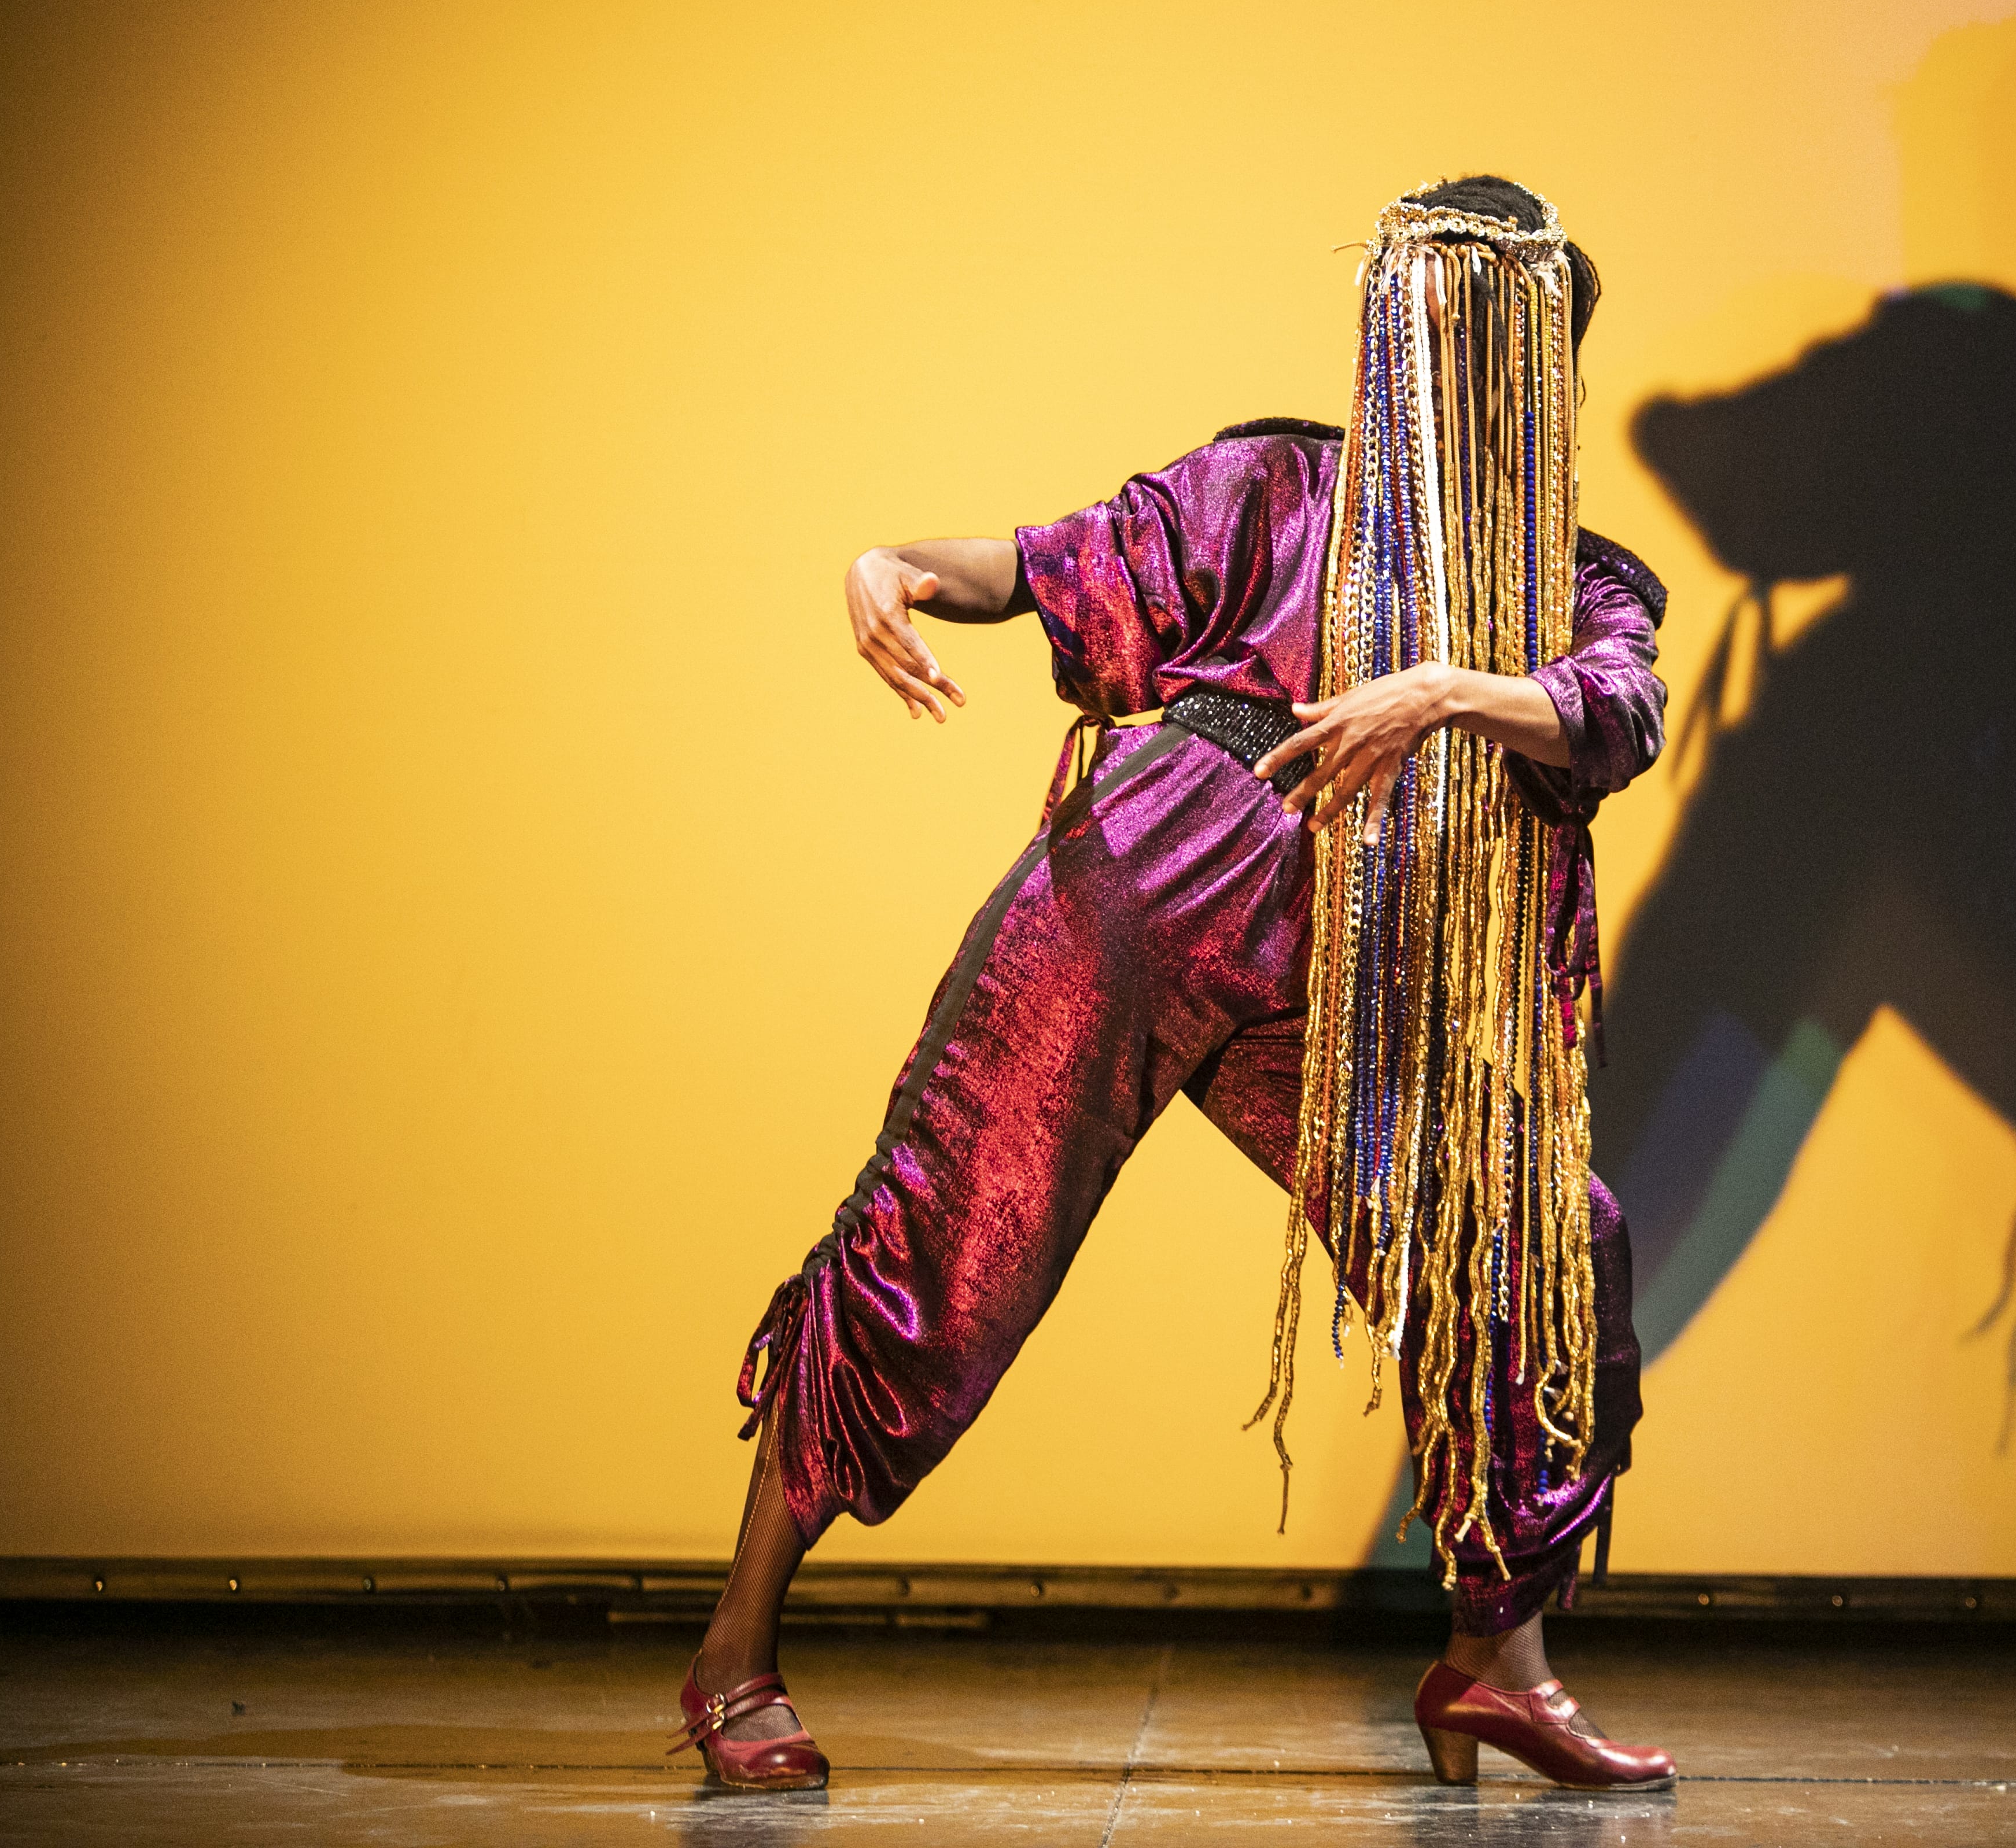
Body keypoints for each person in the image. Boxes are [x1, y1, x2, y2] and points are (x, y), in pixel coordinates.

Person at [668, 176, 1678, 1795]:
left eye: (1485, 341)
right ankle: (735, 1653)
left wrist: (1440, 691)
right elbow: (1045, 565)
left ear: (1540, 367)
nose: (1436, 368)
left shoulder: (1582, 585)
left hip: (1358, 963)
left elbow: (1613, 714)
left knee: (1534, 1242)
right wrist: (892, 560)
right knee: (945, 1236)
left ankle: (1497, 1668)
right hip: (1150, 883)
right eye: (1416, 331)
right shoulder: (1279, 487)